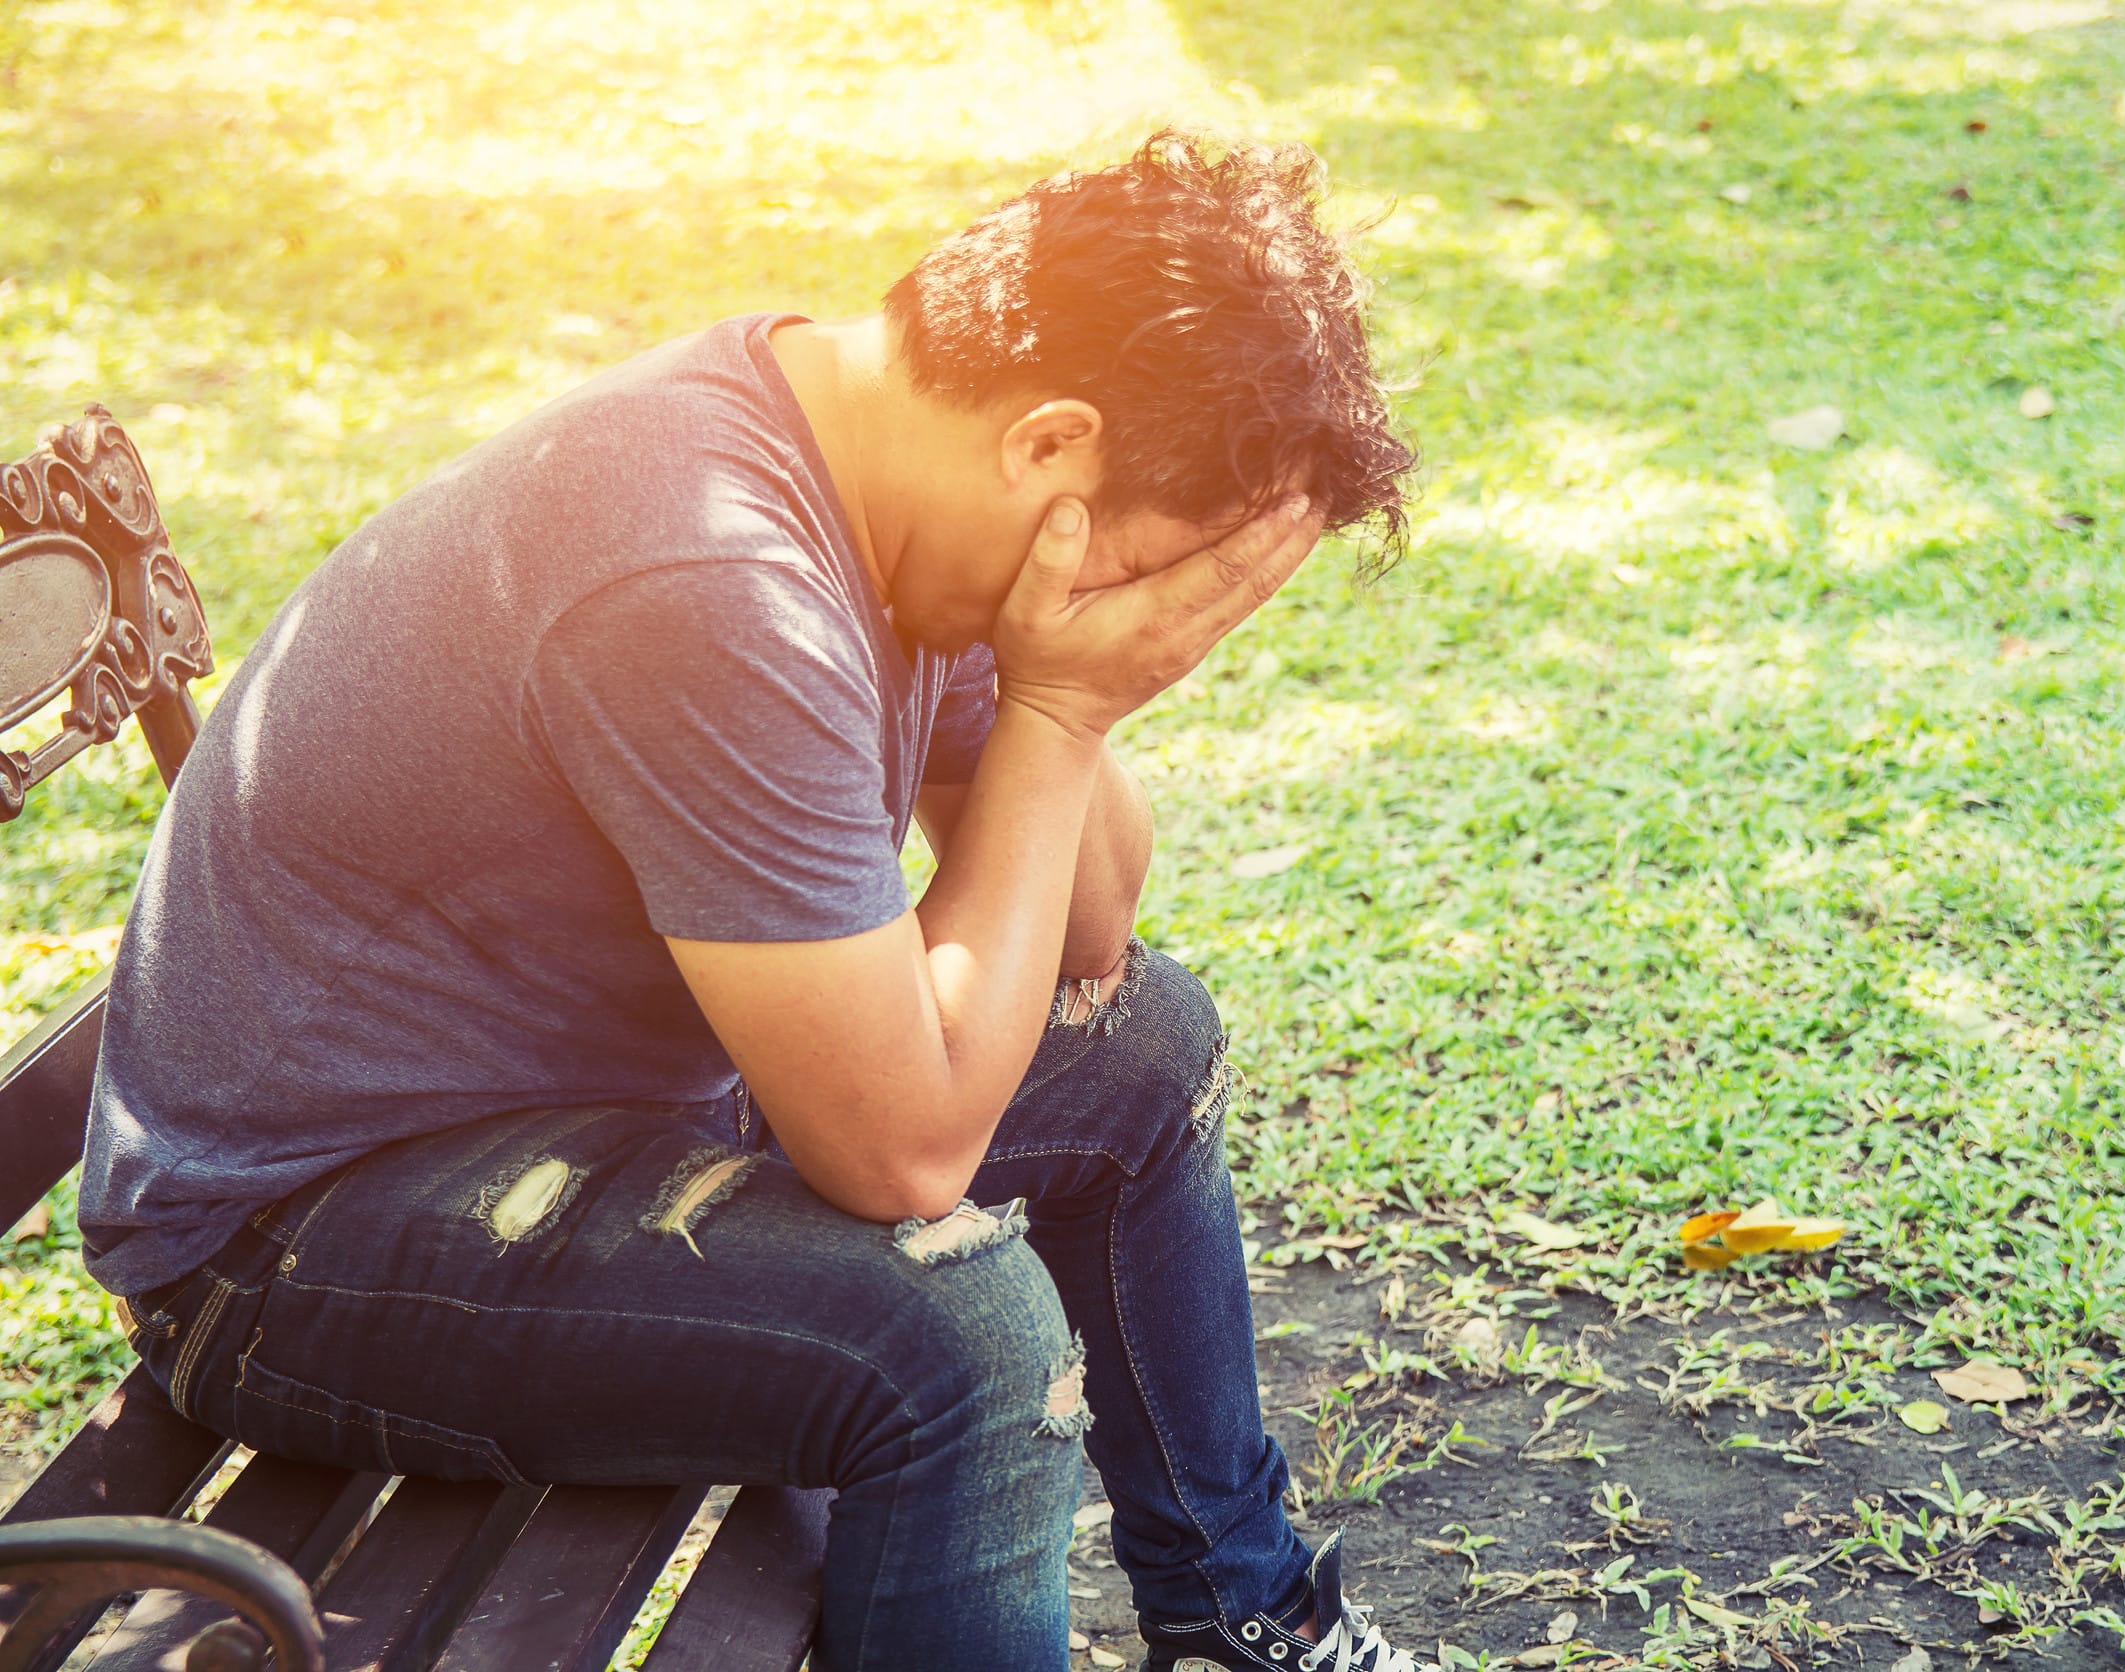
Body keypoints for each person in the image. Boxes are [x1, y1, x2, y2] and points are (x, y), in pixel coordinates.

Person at [75, 133, 1419, 1672]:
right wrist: (1055, 711)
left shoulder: (890, 472)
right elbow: (903, 1153)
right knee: (961, 1348)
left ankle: (1239, 1611)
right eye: (1162, 571)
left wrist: (1070, 701)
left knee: (1143, 1046)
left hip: (575, 1124)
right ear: (1051, 447)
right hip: (292, 1244)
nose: (1153, 622)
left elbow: (1089, 950)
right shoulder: (709, 576)